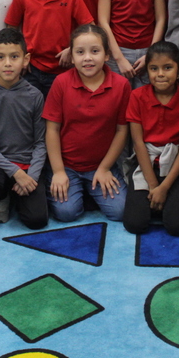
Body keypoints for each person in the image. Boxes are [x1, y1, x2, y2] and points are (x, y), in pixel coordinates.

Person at [44, 24, 131, 222]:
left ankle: (89, 191)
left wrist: (104, 168)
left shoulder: (121, 85)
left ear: (107, 55)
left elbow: (121, 131)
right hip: (67, 165)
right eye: (80, 52)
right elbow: (52, 129)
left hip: (100, 165)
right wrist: (58, 171)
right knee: (66, 213)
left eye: (95, 51)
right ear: (72, 57)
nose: (88, 58)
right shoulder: (61, 83)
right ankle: (76, 189)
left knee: (121, 211)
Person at [0, 28, 48, 229]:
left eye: (14, 57)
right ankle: (3, 195)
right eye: (0, 57)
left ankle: (19, 193)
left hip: (27, 164)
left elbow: (41, 142)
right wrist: (17, 173)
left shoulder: (35, 96)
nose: (7, 63)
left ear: (25, 59)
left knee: (37, 220)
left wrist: (31, 175)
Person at [4, 0, 94, 97]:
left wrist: (73, 49)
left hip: (63, 69)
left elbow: (89, 29)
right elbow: (11, 29)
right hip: (30, 69)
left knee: (59, 114)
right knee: (31, 113)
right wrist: (20, 57)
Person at [122, 41, 179, 236]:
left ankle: (165, 202)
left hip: (174, 165)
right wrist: (153, 185)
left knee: (178, 227)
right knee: (134, 224)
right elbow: (138, 143)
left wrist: (165, 187)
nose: (160, 74)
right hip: (146, 162)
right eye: (154, 68)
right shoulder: (137, 97)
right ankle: (154, 200)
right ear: (147, 71)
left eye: (167, 68)